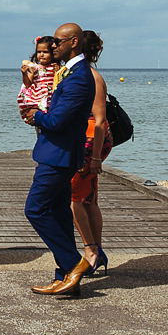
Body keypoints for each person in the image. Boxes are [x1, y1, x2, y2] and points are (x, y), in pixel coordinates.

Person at [21, 22, 95, 295]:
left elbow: (59, 119)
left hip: (58, 155)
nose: (53, 47)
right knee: (60, 214)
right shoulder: (69, 72)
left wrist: (35, 116)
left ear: (74, 42)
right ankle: (64, 277)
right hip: (58, 153)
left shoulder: (79, 77)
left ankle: (74, 264)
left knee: (36, 209)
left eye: (58, 43)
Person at [70, 30, 113, 277]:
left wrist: (96, 157)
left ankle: (90, 251)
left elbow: (100, 121)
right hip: (88, 141)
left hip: (90, 141)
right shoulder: (83, 74)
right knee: (89, 198)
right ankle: (98, 250)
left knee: (73, 197)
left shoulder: (92, 78)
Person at [17, 36, 58, 116]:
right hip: (39, 96)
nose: (41, 55)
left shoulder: (56, 66)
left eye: (45, 52)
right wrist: (24, 74)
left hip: (51, 94)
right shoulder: (35, 67)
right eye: (39, 52)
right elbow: (28, 83)